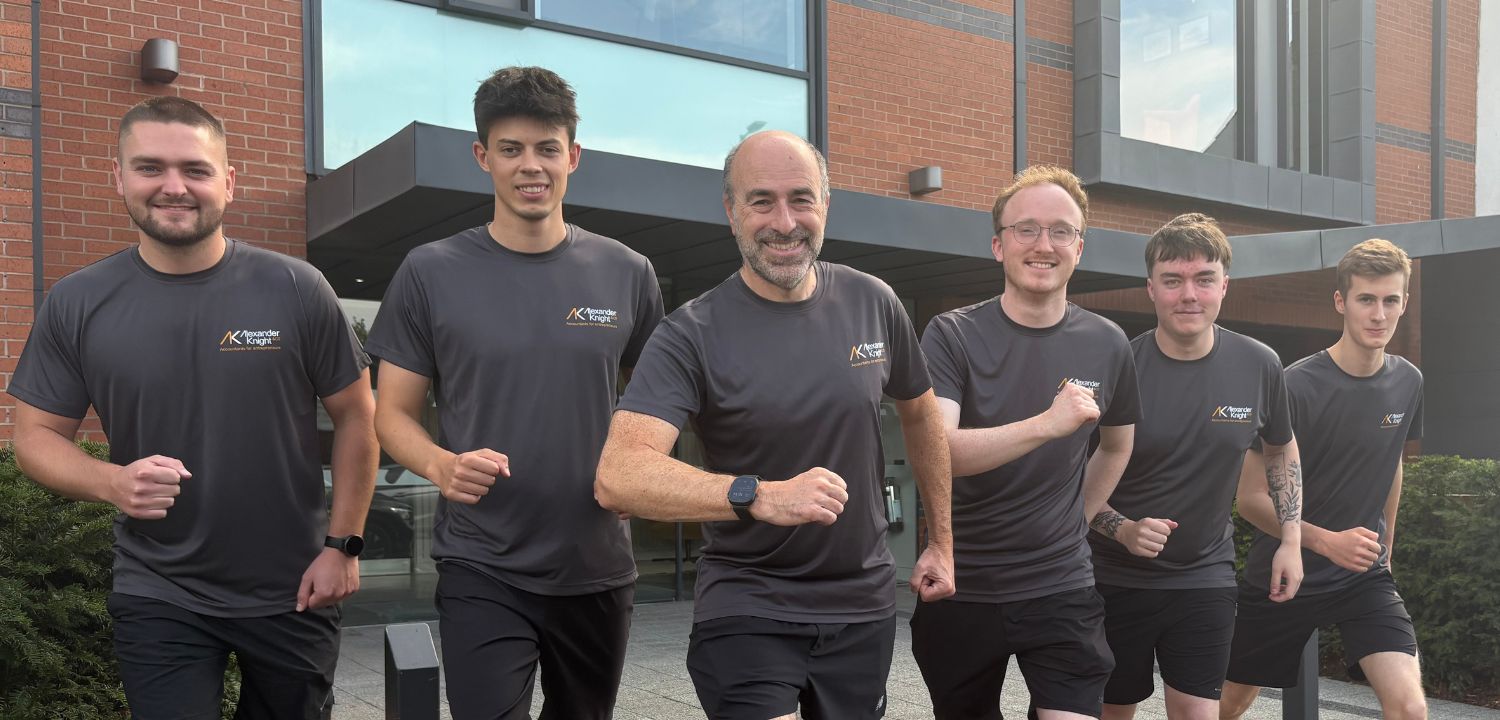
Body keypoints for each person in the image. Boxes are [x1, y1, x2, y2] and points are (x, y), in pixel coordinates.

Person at [10, 96, 377, 719]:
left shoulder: (296, 287)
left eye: (195, 170)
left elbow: (356, 417)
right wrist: (112, 482)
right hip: (159, 588)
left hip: (294, 586)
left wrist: (343, 545)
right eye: (150, 167)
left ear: (228, 182)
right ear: (119, 176)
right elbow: (34, 436)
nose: (174, 187)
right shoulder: (77, 302)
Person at [594, 129, 955, 720]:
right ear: (731, 210)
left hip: (860, 606)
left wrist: (940, 542)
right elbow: (619, 475)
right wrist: (757, 495)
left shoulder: (874, 302)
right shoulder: (690, 333)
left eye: (801, 199)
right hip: (748, 602)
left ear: (825, 204)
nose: (784, 223)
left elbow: (921, 416)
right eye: (761, 201)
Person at [365, 66, 664, 719]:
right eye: (511, 149)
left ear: (573, 156)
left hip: (596, 566)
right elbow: (391, 415)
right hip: (482, 563)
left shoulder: (627, 272)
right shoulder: (430, 272)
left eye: (547, 148)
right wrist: (441, 465)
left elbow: (657, 407)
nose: (531, 165)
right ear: (483, 157)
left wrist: (642, 474)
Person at [911, 164, 1140, 720]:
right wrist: (1047, 423)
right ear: (998, 245)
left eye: (1061, 231)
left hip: (1061, 586)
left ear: (1079, 248)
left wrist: (1076, 518)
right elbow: (940, 452)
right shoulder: (952, 334)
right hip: (963, 585)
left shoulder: (1108, 343)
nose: (1044, 244)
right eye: (1026, 229)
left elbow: (1116, 445)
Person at [1088, 214, 1303, 720]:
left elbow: (1280, 448)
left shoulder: (1259, 364)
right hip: (1114, 579)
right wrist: (1123, 530)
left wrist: (1291, 540)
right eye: (1173, 280)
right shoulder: (1117, 368)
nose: (1189, 294)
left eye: (1204, 279)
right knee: (1113, 712)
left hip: (1204, 577)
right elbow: (1074, 481)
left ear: (1224, 286)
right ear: (1151, 289)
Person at [1221, 239, 1426, 720]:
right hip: (1285, 574)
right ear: (1340, 301)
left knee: (1410, 708)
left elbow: (1391, 463)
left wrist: (1386, 546)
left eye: (1390, 300)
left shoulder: (1409, 381)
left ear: (1404, 303)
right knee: (1228, 705)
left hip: (1362, 575)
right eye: (1366, 299)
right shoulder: (1294, 386)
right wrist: (1326, 542)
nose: (1379, 314)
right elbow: (1249, 498)